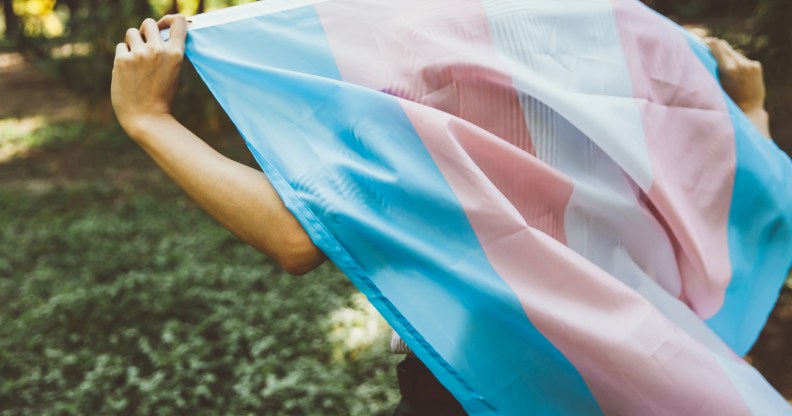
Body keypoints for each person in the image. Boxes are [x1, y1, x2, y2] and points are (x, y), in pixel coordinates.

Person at [111, 15, 772, 416]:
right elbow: (725, 191)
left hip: (485, 379)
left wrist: (149, 120)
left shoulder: (412, 52)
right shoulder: (628, 38)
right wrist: (750, 116)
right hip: (634, 370)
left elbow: (296, 238)